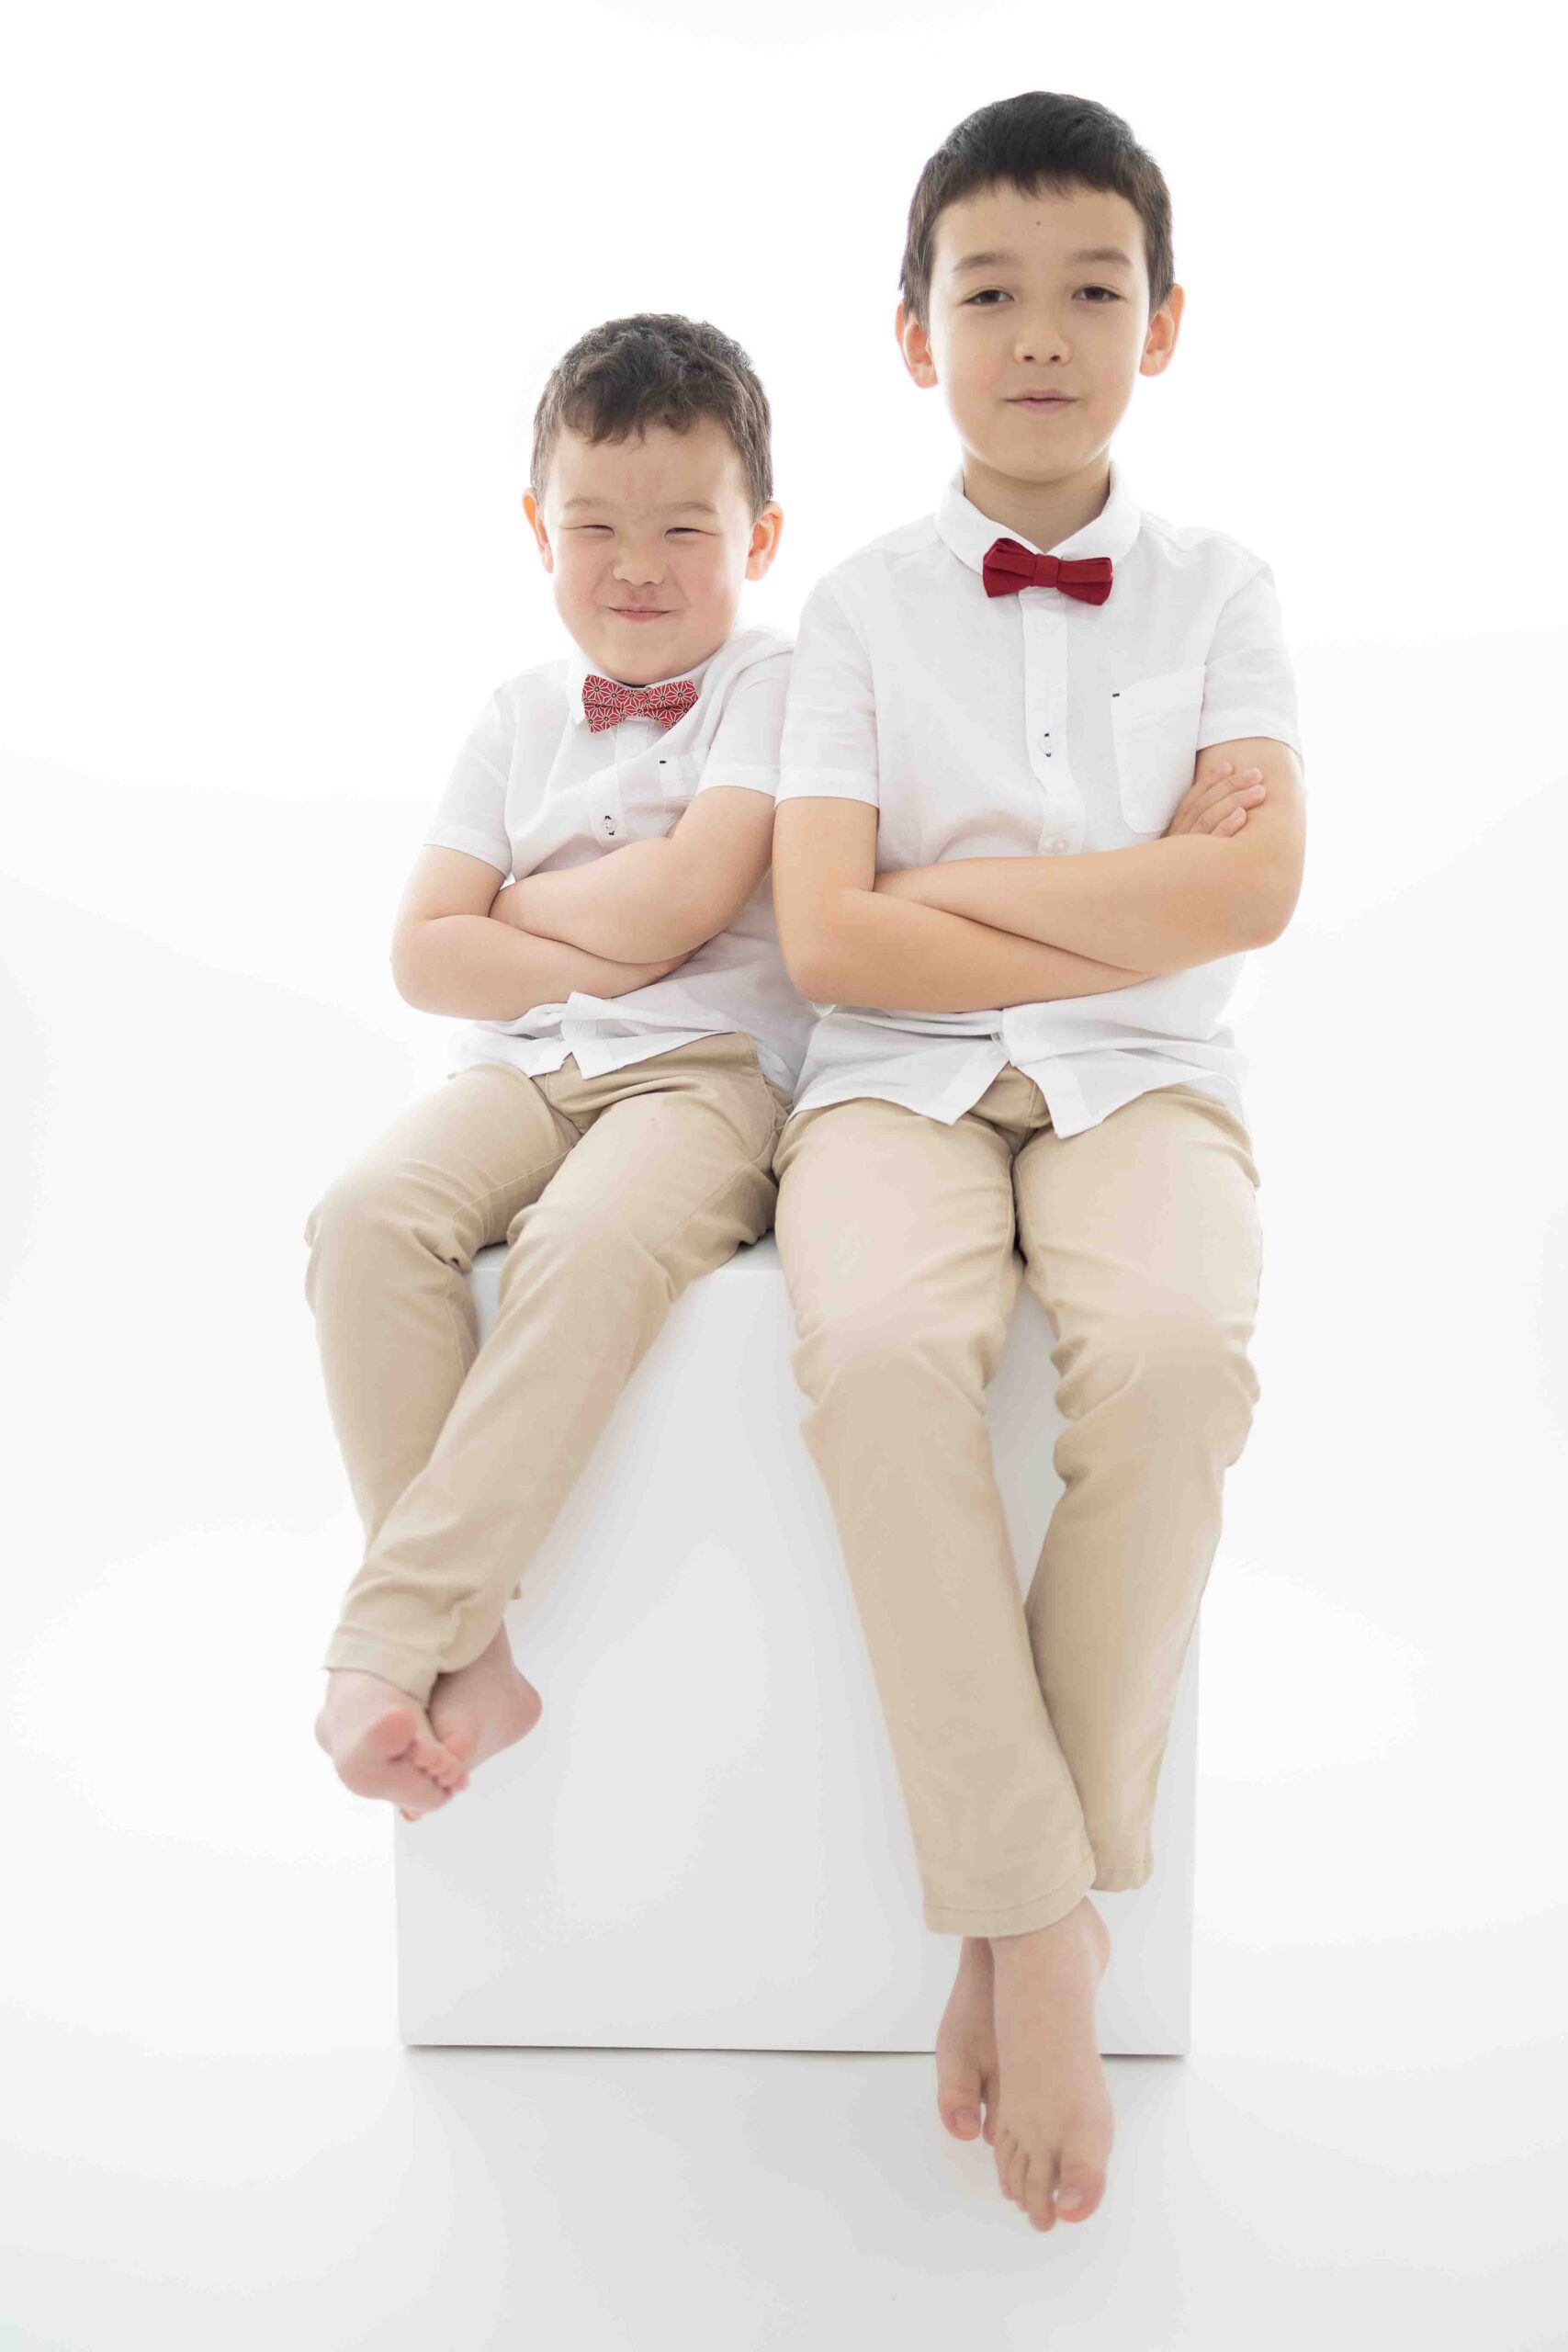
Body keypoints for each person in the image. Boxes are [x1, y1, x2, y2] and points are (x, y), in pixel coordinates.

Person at [767, 92, 1306, 2235]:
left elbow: (1252, 898)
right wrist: (1136, 879)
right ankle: (1044, 1927)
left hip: (1147, 1081)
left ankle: (1018, 1920)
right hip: (884, 1082)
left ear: (1161, 325)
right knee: (884, 1360)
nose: (1039, 329)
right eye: (986, 289)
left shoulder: (1221, 587)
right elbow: (830, 939)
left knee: (1173, 1362)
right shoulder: (856, 608)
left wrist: (995, 902)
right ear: (912, 335)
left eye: (1091, 286)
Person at [305, 313, 812, 1824]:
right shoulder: (516, 717)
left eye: (682, 527)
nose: (636, 564)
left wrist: (514, 915)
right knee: (366, 1220)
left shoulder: (778, 684)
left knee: (585, 1247)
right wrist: (589, 936)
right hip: (526, 1068)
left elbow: (685, 908)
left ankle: (392, 1633)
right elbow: (421, 958)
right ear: (538, 528)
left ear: (760, 536)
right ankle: (483, 1650)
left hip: (712, 1070)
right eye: (593, 523)